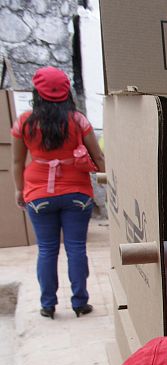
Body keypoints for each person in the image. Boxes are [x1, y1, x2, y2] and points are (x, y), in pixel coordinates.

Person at [11, 66, 105, 319]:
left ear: (37, 92)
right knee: (76, 248)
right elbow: (97, 155)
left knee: (47, 249)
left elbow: (18, 162)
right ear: (67, 92)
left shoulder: (25, 122)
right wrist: (108, 179)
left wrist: (20, 190)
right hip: (77, 193)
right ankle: (79, 303)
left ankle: (48, 304)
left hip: (38, 193)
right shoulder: (78, 120)